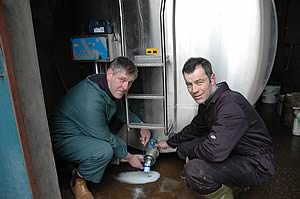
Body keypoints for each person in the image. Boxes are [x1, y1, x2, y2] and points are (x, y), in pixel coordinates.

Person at [157, 57, 275, 199]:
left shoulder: (229, 105)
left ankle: (226, 193)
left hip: (255, 163)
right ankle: (227, 180)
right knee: (183, 148)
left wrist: (192, 156)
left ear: (212, 79)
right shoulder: (208, 101)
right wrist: (170, 142)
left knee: (194, 170)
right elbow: (195, 128)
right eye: (189, 84)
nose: (194, 90)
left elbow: (214, 152)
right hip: (233, 149)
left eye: (199, 82)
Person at [50, 56, 151, 199]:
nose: (125, 87)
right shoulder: (91, 101)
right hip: (64, 139)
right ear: (110, 74)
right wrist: (129, 157)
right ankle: (77, 180)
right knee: (104, 151)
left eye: (130, 83)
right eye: (122, 80)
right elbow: (105, 137)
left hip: (83, 132)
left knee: (113, 144)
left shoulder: (104, 85)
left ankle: (85, 163)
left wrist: (140, 125)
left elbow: (119, 109)